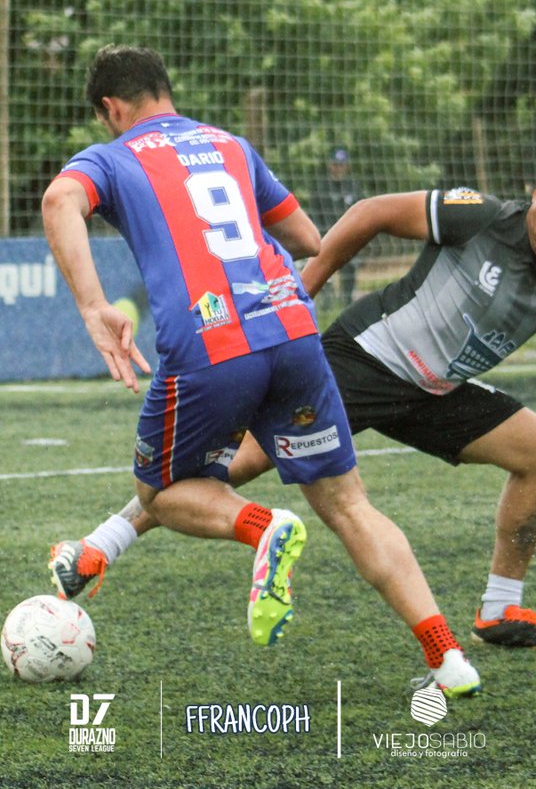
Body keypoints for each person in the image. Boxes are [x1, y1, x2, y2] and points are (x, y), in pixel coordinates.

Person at [50, 150, 536, 650]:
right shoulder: (480, 217)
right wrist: (308, 282)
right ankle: (99, 545)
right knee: (224, 470)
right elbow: (370, 214)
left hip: (435, 391)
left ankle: (502, 610)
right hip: (361, 361)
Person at [40, 44, 481, 697]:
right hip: (293, 329)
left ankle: (263, 525)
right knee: (350, 504)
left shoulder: (112, 156)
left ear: (111, 108)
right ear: (165, 89)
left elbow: (59, 200)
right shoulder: (232, 146)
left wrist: (92, 305)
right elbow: (307, 237)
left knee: (161, 492)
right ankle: (448, 658)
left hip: (210, 342)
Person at [306, 147, 361, 309]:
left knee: (350, 269)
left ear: (347, 166)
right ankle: (326, 304)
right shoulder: (321, 188)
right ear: (330, 165)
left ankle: (347, 303)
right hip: (326, 237)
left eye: (341, 165)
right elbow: (314, 214)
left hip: (348, 238)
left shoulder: (353, 186)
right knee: (324, 272)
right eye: (335, 164)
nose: (338, 168)